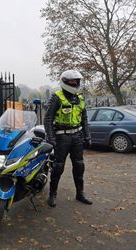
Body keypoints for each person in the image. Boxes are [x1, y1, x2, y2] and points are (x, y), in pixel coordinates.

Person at [44, 70, 92, 207]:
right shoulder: (56, 97)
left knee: (79, 165)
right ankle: (52, 195)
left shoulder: (80, 98)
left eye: (77, 81)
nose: (75, 83)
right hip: (61, 137)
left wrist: (87, 135)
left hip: (77, 136)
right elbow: (47, 119)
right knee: (58, 167)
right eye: (72, 81)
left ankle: (80, 193)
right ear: (65, 82)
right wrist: (50, 138)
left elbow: (84, 119)